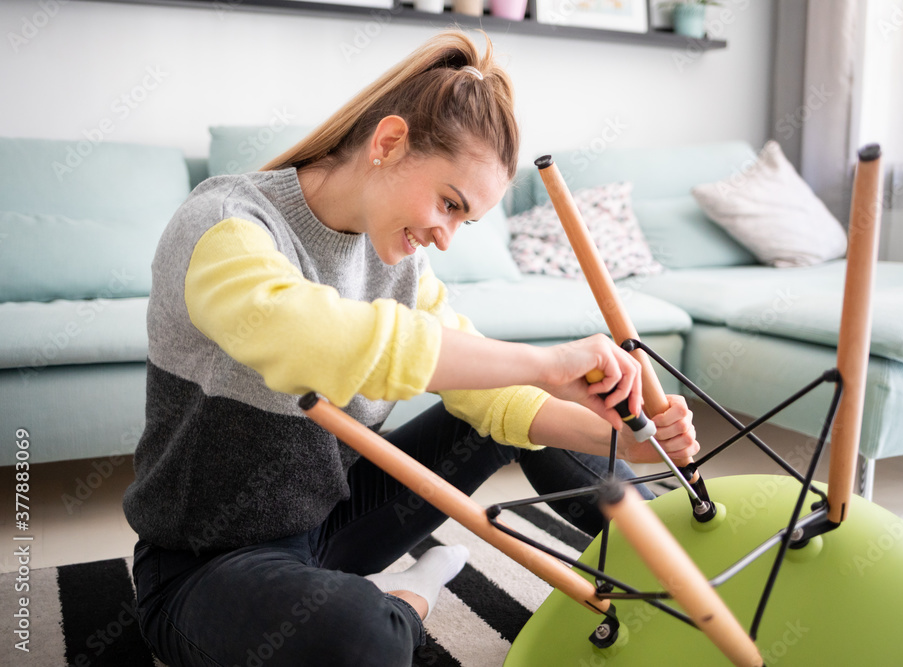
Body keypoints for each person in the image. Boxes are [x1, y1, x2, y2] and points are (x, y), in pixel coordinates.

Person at [123, 29, 699, 667]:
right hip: (203, 567)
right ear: (389, 142)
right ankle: (412, 594)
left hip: (332, 524)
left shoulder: (399, 265)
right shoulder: (224, 227)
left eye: (465, 220)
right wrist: (547, 362)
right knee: (363, 637)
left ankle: (683, 555)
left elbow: (495, 400)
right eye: (449, 204)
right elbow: (328, 344)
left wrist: (631, 442)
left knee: (502, 401)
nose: (447, 236)